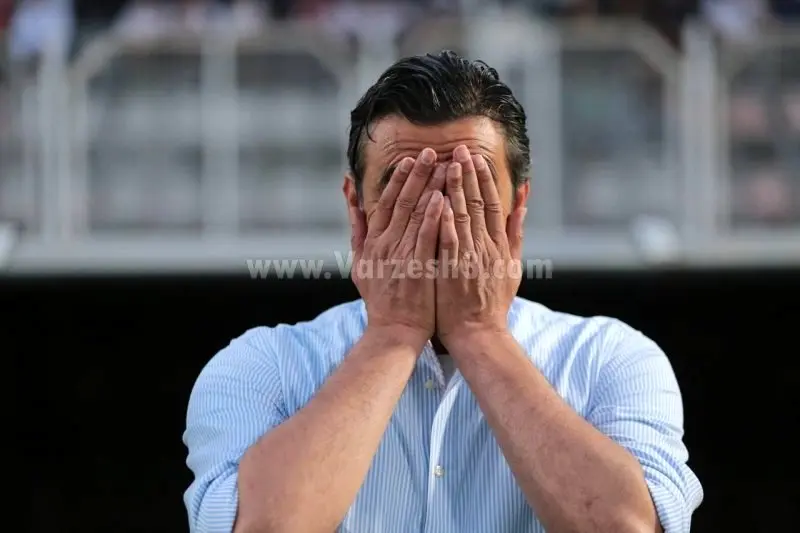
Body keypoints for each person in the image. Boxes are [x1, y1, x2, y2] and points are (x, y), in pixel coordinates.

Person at [183, 50, 703, 533]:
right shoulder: (261, 366)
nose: (436, 215)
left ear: (517, 209)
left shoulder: (609, 359)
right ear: (356, 208)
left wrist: (480, 333)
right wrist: (392, 333)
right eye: (402, 188)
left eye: (467, 186)